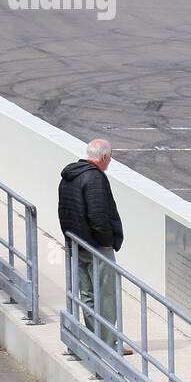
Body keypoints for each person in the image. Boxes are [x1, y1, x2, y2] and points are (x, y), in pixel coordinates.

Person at [58, 139, 128, 353]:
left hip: (76, 244)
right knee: (106, 294)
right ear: (104, 157)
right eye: (110, 158)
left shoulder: (69, 177)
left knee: (87, 293)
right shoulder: (95, 178)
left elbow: (64, 211)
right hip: (96, 246)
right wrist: (107, 242)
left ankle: (93, 337)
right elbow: (98, 216)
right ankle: (106, 343)